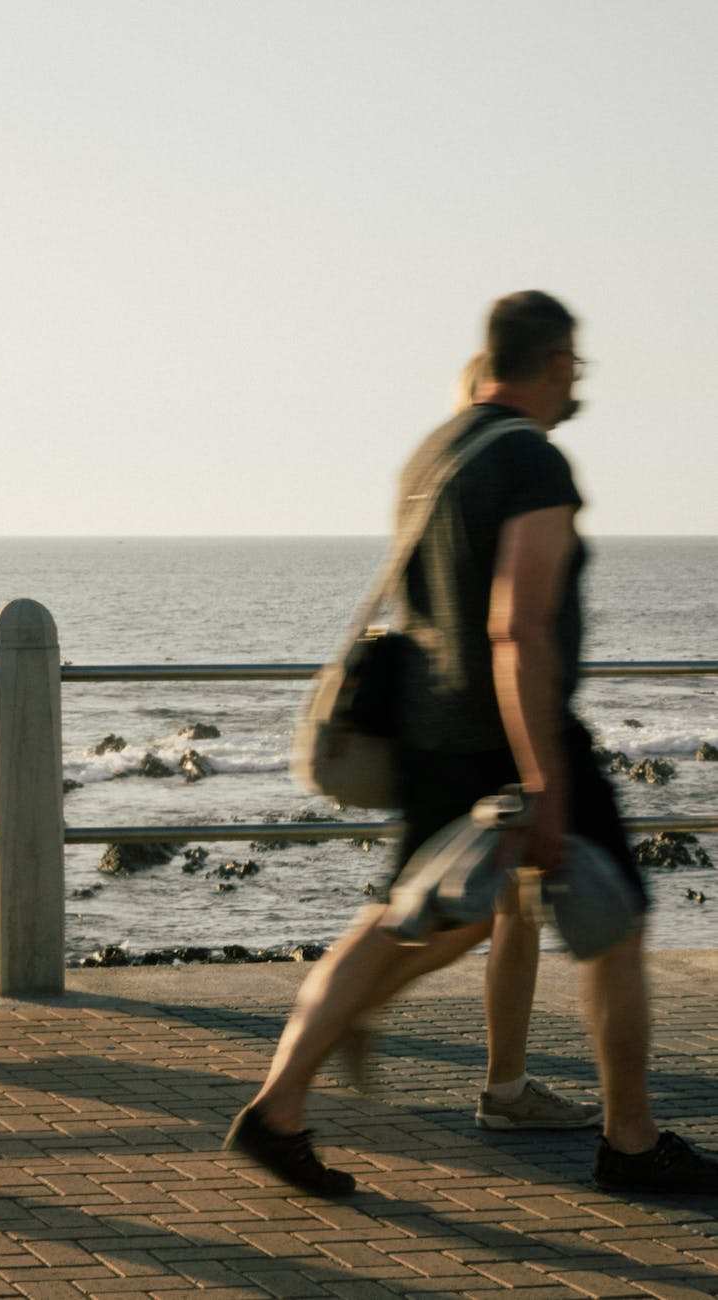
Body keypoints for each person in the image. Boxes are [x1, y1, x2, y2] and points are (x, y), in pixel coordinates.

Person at [227, 290, 718, 1197]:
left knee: (404, 922)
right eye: (577, 364)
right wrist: (543, 774)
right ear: (557, 359)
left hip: (432, 729)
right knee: (617, 926)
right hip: (518, 733)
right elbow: (514, 627)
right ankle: (634, 1142)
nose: (579, 382)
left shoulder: (433, 455)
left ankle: (277, 1107)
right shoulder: (533, 461)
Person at [335, 348, 601, 1134]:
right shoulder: (511, 463)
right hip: (484, 734)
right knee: (457, 913)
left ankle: (506, 1085)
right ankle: (343, 1020)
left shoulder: (439, 465)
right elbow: (508, 623)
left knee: (499, 911)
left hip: (454, 724)